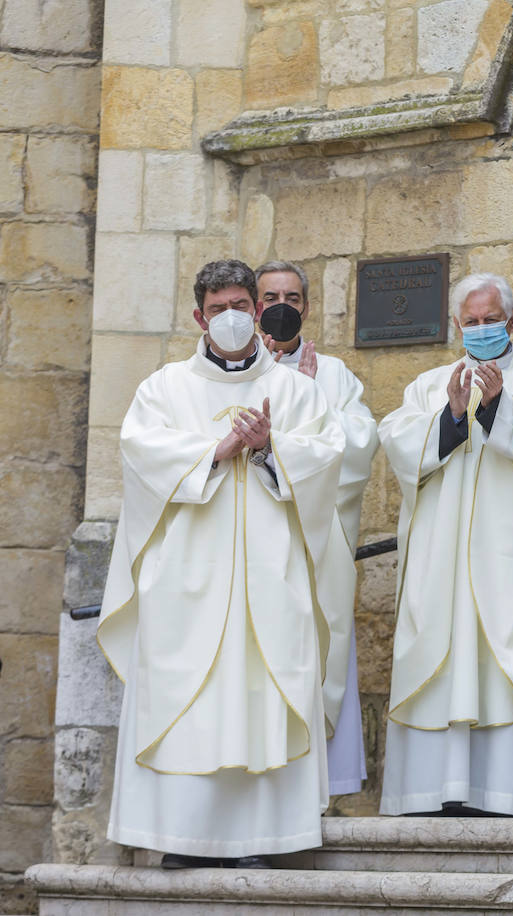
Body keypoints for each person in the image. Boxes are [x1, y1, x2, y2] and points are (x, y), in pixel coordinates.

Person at [99, 260, 346, 867]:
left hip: (271, 579)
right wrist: (218, 450)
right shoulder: (163, 388)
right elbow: (140, 453)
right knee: (189, 699)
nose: (231, 318)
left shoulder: (295, 392)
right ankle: (184, 839)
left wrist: (271, 448)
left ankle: (265, 838)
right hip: (187, 582)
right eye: (218, 309)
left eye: (241, 305)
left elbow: (326, 459)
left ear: (258, 312)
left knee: (266, 691)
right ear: (198, 317)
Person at [377, 272, 513, 818]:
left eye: (492, 319)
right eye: (471, 321)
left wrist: (499, 410)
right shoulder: (428, 385)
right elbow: (397, 442)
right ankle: (432, 796)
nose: (481, 329)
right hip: (441, 567)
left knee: (509, 664)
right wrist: (450, 415)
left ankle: (510, 798)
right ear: (456, 325)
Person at [256, 260, 379, 797]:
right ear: (255, 306)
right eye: (269, 297)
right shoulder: (229, 368)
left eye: (291, 296)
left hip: (311, 548)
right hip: (249, 551)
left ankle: (313, 788)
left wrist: (303, 414)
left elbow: (358, 447)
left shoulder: (331, 376)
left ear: (304, 306)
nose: (281, 305)